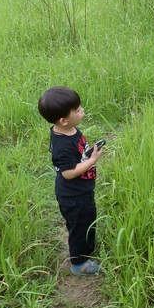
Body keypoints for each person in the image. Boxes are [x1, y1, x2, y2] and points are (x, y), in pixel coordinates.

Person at [38, 86, 104, 275]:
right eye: (77, 110)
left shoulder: (68, 129)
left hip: (82, 189)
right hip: (73, 195)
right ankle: (78, 264)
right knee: (79, 225)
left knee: (88, 219)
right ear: (63, 120)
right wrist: (92, 160)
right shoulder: (62, 144)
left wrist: (86, 155)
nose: (82, 110)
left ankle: (87, 250)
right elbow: (68, 172)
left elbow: (77, 156)